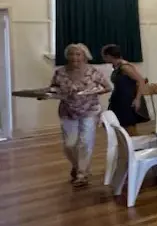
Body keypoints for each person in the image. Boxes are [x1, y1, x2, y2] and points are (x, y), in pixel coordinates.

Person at [48, 43, 112, 187]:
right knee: (69, 144)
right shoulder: (60, 72)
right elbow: (53, 88)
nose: (74, 57)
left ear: (84, 56)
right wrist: (48, 94)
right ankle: (77, 166)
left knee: (85, 143)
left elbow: (108, 87)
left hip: (89, 110)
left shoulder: (93, 71)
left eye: (78, 54)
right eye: (71, 54)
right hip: (67, 111)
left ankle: (82, 174)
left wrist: (94, 91)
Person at [101, 44, 148, 133]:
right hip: (119, 99)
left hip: (127, 100)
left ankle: (133, 142)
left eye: (104, 56)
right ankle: (124, 141)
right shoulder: (117, 66)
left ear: (109, 56)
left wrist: (137, 99)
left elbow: (141, 81)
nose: (103, 58)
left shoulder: (125, 67)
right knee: (119, 126)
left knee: (128, 126)